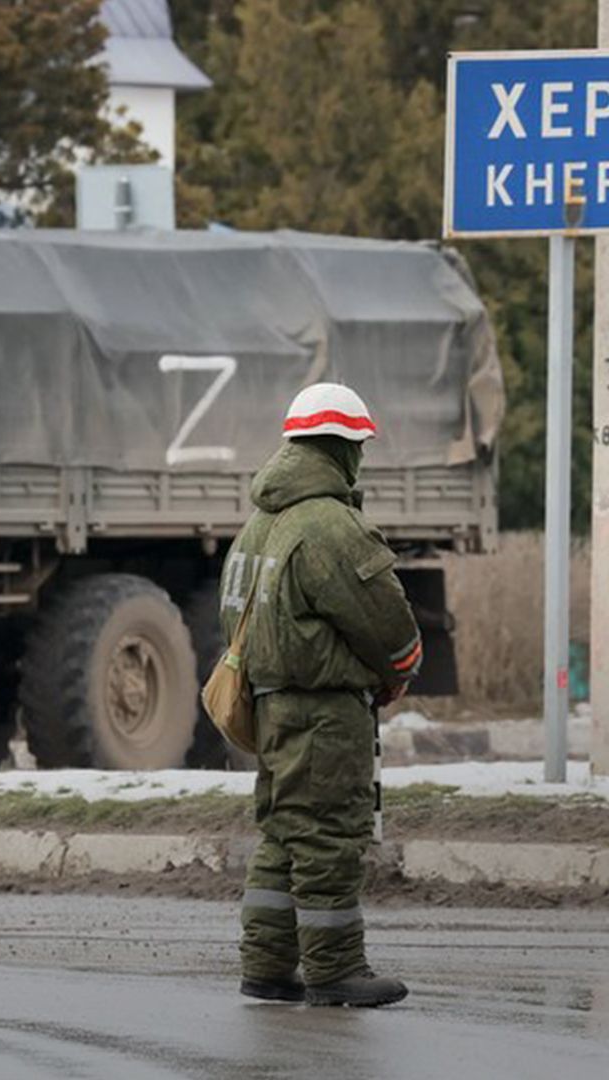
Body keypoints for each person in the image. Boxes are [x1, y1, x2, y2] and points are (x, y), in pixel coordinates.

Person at [219, 383, 421, 1008]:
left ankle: (267, 967)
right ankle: (336, 970)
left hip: (272, 706)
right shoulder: (330, 524)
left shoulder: (259, 524)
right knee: (329, 834)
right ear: (342, 448)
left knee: (283, 833)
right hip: (324, 713)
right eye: (357, 446)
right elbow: (389, 627)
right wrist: (397, 669)